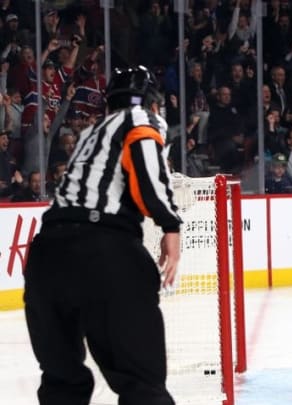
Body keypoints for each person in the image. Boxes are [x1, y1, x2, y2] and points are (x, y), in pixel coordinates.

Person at [24, 65, 181, 405]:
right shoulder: (140, 118)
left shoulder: (90, 133)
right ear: (152, 103)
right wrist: (170, 224)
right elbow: (147, 181)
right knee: (142, 384)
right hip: (105, 252)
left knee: (61, 384)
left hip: (45, 256)